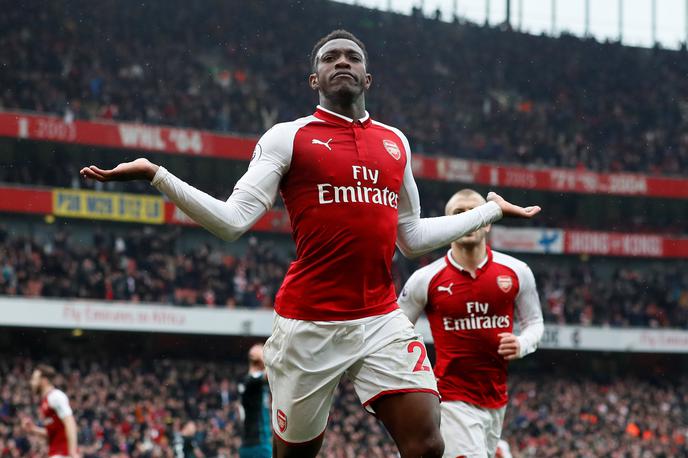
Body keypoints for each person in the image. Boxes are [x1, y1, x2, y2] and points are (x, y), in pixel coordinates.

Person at [80, 30, 540, 458]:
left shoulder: (395, 143)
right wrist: (156, 174)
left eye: (352, 57)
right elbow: (232, 221)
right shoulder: (287, 137)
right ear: (314, 78)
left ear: (368, 76)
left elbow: (412, 237)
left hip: (380, 319)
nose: (342, 61)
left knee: (427, 444)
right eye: (330, 58)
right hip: (309, 324)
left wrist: (491, 210)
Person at [398, 189, 544, 458]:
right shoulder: (425, 279)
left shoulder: (516, 271)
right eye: (458, 214)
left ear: (487, 220)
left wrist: (522, 343)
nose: (466, 219)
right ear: (449, 223)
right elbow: (394, 333)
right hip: (450, 398)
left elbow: (535, 323)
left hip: (496, 400)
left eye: (473, 212)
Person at [21, 364, 79, 458]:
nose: (32, 383)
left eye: (35, 379)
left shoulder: (55, 396)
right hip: (56, 453)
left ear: (44, 380)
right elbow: (53, 433)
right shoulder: (46, 401)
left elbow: (70, 422)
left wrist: (72, 452)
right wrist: (33, 429)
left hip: (63, 454)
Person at [237, 344, 271, 458]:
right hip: (258, 446)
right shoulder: (252, 380)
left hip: (253, 444)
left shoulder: (254, 383)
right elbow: (269, 374)